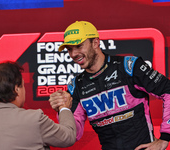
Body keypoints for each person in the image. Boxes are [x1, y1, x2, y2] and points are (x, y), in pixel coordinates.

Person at [49, 21, 170, 150]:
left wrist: (165, 137)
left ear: (95, 43)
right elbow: (74, 134)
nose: (73, 54)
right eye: (69, 49)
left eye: (78, 46)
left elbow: (168, 90)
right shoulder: (76, 86)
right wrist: (63, 109)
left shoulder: (128, 66)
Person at [0, 61, 76, 150]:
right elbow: (68, 136)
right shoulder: (34, 119)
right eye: (23, 85)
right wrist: (64, 107)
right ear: (16, 89)